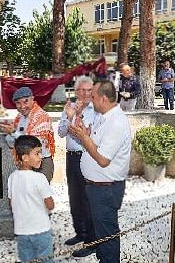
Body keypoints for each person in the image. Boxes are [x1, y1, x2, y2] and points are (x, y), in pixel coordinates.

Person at [68, 80, 132, 263]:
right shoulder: (105, 117)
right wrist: (85, 134)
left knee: (108, 235)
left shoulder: (116, 122)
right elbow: (96, 145)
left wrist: (83, 137)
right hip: (98, 187)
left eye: (94, 96)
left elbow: (103, 160)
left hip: (106, 189)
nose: (91, 99)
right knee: (103, 233)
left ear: (103, 98)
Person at [58, 76, 98, 255]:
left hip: (88, 157)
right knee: (74, 197)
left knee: (88, 199)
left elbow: (92, 136)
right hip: (72, 157)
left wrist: (79, 115)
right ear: (76, 91)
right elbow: (60, 132)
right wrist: (69, 117)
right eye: (81, 90)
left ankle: (92, 241)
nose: (85, 93)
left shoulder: (97, 110)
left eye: (89, 90)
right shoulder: (69, 108)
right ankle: (80, 232)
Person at [8, 135, 55, 263]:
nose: (41, 156)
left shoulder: (12, 177)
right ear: (25, 158)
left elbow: (11, 203)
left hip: (22, 231)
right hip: (41, 230)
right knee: (46, 259)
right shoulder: (40, 178)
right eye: (37, 153)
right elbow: (50, 205)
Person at [0, 87, 55, 182]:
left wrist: (13, 132)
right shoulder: (19, 118)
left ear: (32, 99)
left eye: (25, 101)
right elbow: (12, 143)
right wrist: (8, 132)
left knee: (39, 196)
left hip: (41, 164)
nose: (22, 106)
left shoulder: (41, 116)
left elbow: (33, 143)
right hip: (25, 164)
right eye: (18, 103)